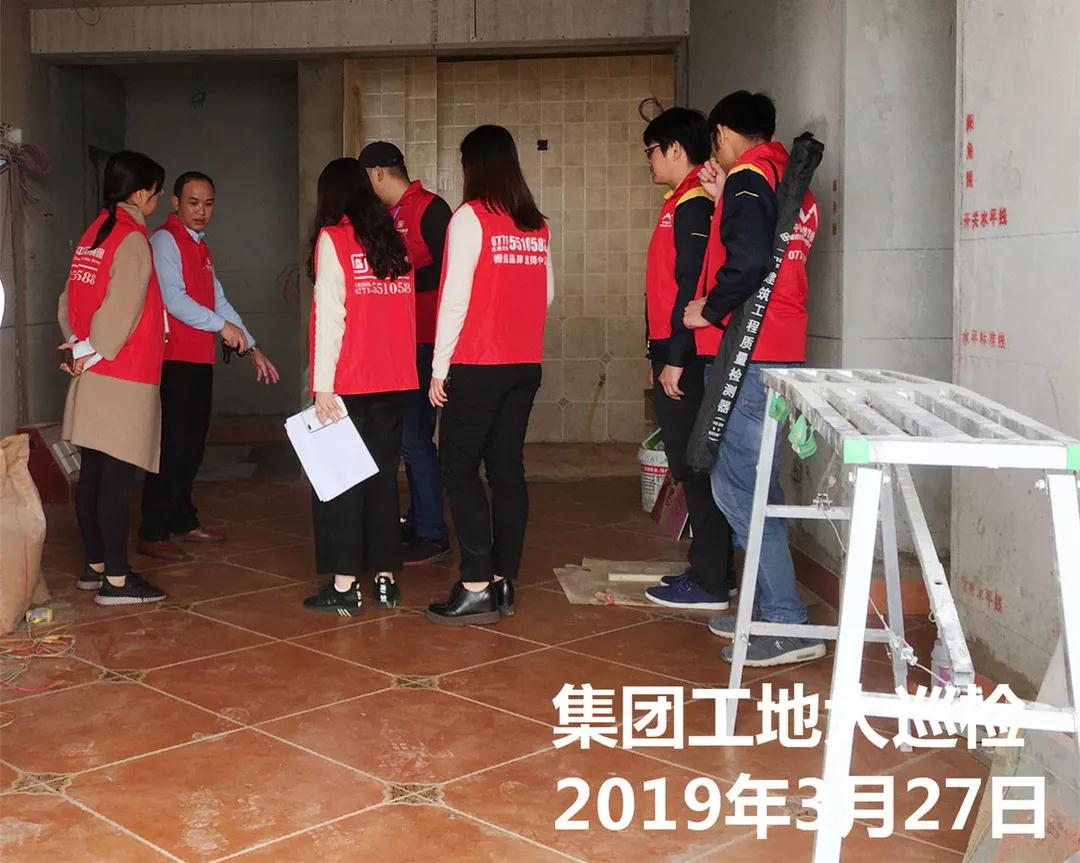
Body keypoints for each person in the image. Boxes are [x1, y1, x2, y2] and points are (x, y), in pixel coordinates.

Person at [683, 90, 824, 667]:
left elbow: (749, 262)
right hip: (782, 344)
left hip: (751, 351)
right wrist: (727, 197)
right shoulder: (787, 177)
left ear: (721, 132)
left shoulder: (748, 175)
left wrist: (709, 309)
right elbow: (772, 245)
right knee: (758, 483)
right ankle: (765, 609)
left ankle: (786, 620)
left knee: (738, 487)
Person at [426, 125, 553, 626]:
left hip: (478, 363)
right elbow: (546, 294)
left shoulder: (470, 217)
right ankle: (503, 580)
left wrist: (439, 368)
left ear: (472, 166)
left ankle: (476, 584)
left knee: (457, 469)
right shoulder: (536, 224)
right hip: (524, 364)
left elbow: (454, 298)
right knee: (506, 470)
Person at [136, 171, 280, 562]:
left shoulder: (200, 246)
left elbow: (218, 300)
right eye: (193, 202)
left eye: (208, 203)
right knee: (172, 446)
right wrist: (223, 328)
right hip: (173, 360)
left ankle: (182, 519)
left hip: (198, 359)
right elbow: (174, 300)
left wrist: (252, 346)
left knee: (192, 446)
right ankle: (153, 530)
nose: (201, 211)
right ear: (175, 203)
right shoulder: (165, 241)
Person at [636, 107, 739, 612]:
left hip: (688, 356)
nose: (649, 161)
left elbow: (690, 286)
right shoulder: (682, 200)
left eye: (651, 151)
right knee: (692, 463)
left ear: (675, 148)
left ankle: (711, 578)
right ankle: (713, 570)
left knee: (695, 465)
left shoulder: (695, 203)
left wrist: (675, 356)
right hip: (675, 350)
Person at [303, 157, 415, 615]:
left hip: (349, 380)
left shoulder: (334, 239)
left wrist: (322, 386)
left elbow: (332, 317)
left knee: (342, 480)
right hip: (393, 378)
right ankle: (386, 579)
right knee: (383, 479)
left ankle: (346, 583)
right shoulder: (393, 241)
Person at [57, 150, 169, 606]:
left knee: (95, 476)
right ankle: (118, 582)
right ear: (140, 194)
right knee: (116, 483)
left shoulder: (94, 233)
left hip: (91, 373)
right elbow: (120, 313)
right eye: (156, 194)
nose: (155, 202)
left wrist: (78, 347)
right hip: (124, 374)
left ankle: (96, 566)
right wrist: (92, 349)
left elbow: (67, 300)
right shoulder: (132, 240)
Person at [359, 142, 453, 566]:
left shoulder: (431, 209)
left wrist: (399, 273)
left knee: (415, 438)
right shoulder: (388, 214)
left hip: (426, 341)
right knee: (407, 439)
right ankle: (417, 520)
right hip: (399, 342)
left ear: (377, 173)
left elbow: (450, 273)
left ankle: (432, 532)